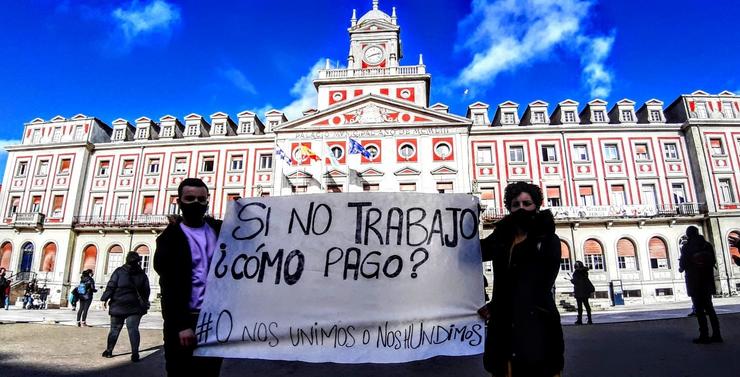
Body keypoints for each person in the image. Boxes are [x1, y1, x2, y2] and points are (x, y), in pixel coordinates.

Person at [478, 181, 564, 377]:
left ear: (537, 206)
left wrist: (495, 306)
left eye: (527, 203)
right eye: (516, 204)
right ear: (509, 208)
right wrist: (467, 218)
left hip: (537, 324)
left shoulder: (549, 240)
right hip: (503, 326)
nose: (521, 208)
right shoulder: (501, 237)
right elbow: (474, 252)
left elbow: (539, 285)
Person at [154, 178, 223, 376]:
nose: (196, 203)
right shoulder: (169, 240)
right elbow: (168, 287)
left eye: (202, 199)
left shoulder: (219, 230)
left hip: (214, 320)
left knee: (210, 372)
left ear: (208, 201)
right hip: (184, 322)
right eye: (190, 198)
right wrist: (181, 325)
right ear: (179, 201)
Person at [101, 251, 151, 362]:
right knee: (133, 329)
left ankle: (109, 351)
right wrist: (145, 301)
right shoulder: (142, 275)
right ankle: (135, 354)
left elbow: (111, 286)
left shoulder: (119, 272)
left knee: (114, 329)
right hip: (135, 306)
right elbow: (146, 291)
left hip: (118, 304)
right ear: (138, 261)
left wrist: (104, 298)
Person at [679, 226, 721, 344]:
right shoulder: (707, 245)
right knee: (710, 308)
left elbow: (683, 264)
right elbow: (713, 261)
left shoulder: (687, 247)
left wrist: (681, 267)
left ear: (688, 235)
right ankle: (717, 334)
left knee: (699, 310)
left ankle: (704, 335)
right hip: (707, 280)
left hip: (694, 282)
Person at [570, 261, 594, 325]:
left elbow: (577, 282)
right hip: (585, 292)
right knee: (587, 306)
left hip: (579, 292)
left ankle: (580, 320)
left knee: (580, 307)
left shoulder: (576, 273)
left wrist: (572, 281)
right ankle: (590, 320)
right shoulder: (585, 272)